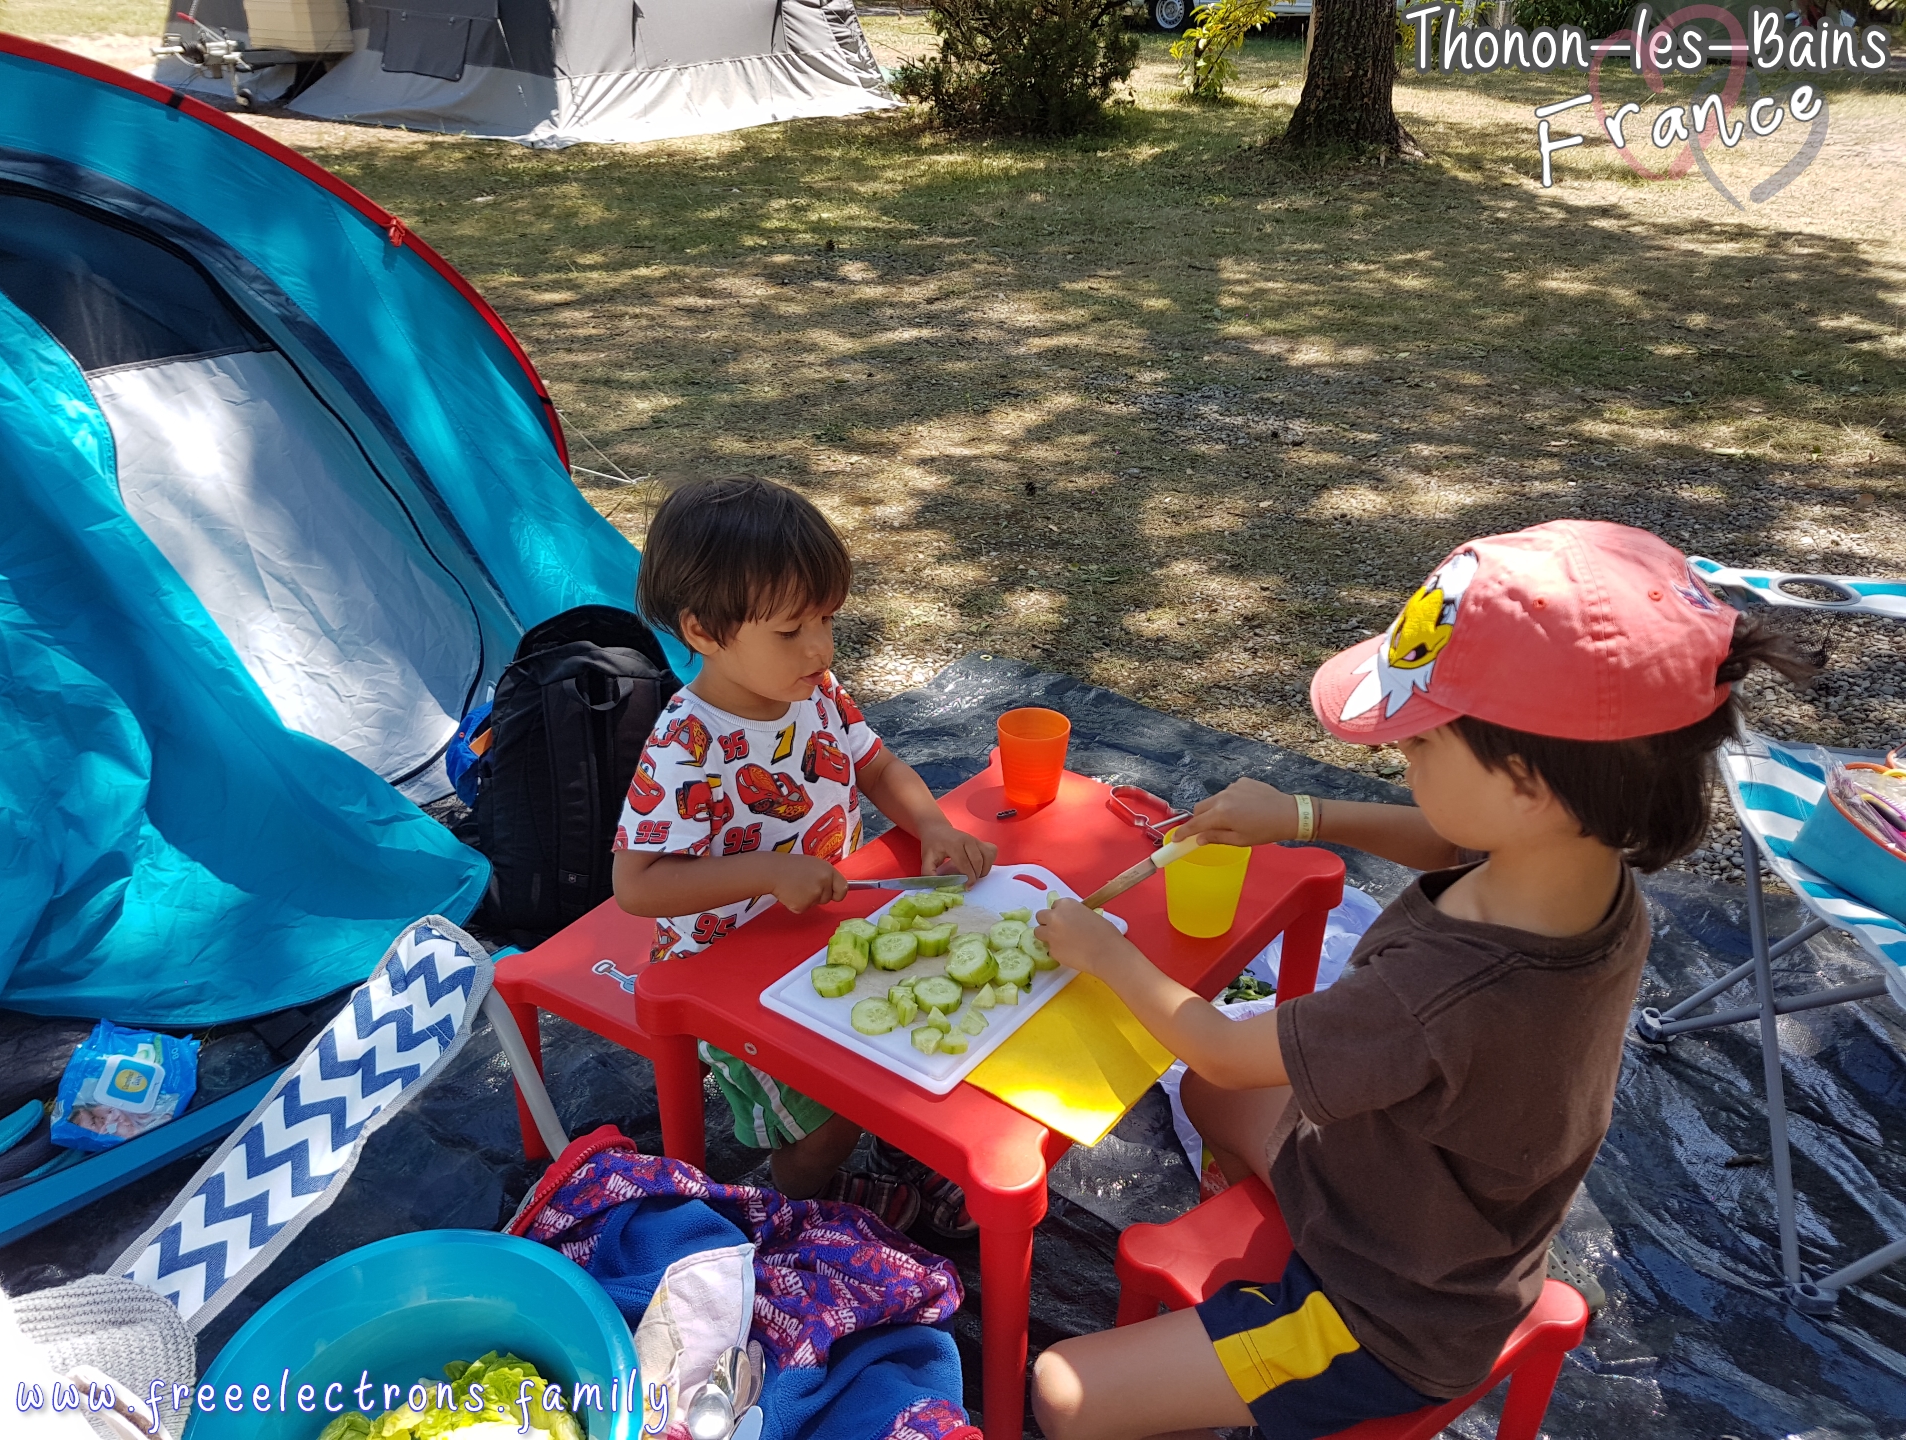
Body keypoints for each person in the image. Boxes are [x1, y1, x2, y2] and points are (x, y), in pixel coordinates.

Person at [1028, 521, 1812, 1440]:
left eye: (1419, 749)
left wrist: (1101, 948)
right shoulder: (1584, 872)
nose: (1400, 758)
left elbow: (1227, 1048)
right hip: (1414, 1198)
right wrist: (1299, 813)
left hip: (1389, 1314)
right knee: (1202, 1099)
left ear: (1525, 783)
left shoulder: (1440, 990)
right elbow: (1450, 839)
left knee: (1062, 1389)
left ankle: (1264, 1337)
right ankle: (1246, 1270)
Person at [613, 475, 996, 1235]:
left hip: (822, 931)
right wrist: (767, 870)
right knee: (827, 1123)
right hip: (724, 969)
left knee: (911, 1039)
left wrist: (933, 826)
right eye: (792, 631)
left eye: (826, 620)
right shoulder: (687, 744)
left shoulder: (816, 690)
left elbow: (878, 766)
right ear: (703, 632)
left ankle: (888, 1151)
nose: (820, 648)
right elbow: (636, 885)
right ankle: (801, 1197)